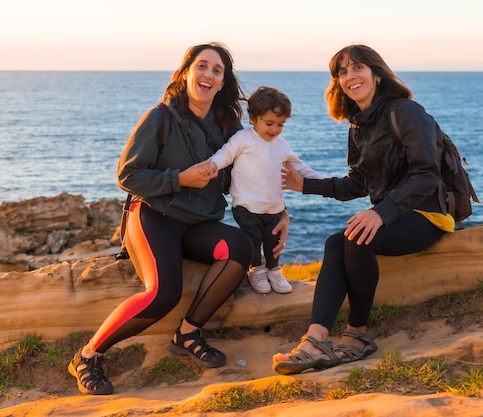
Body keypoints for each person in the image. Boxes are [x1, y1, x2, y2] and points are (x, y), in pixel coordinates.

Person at [67, 42, 290, 395]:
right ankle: (88, 355)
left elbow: (252, 173)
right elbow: (127, 175)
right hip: (155, 215)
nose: (208, 75)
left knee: (240, 248)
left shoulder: (229, 125)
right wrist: (179, 179)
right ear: (186, 72)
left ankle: (187, 332)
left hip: (200, 222)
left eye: (217, 71)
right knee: (163, 294)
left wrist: (281, 212)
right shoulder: (160, 117)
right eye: (202, 66)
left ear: (222, 83)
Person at [272, 44, 454, 375]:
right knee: (334, 242)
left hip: (428, 215)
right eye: (342, 72)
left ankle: (359, 334)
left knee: (357, 238)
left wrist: (381, 213)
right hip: (393, 214)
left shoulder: (406, 112)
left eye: (357, 68)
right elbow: (357, 184)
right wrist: (304, 185)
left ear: (376, 74)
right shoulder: (359, 126)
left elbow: (427, 175)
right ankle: (315, 340)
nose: (350, 76)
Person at [202, 86, 322, 294]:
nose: (274, 129)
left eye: (280, 124)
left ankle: (274, 270)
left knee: (273, 240)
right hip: (246, 205)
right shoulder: (243, 139)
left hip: (274, 207)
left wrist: (321, 181)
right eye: (269, 123)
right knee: (252, 240)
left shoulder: (281, 145)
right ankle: (256, 270)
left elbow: (299, 167)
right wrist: (213, 164)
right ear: (253, 119)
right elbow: (226, 153)